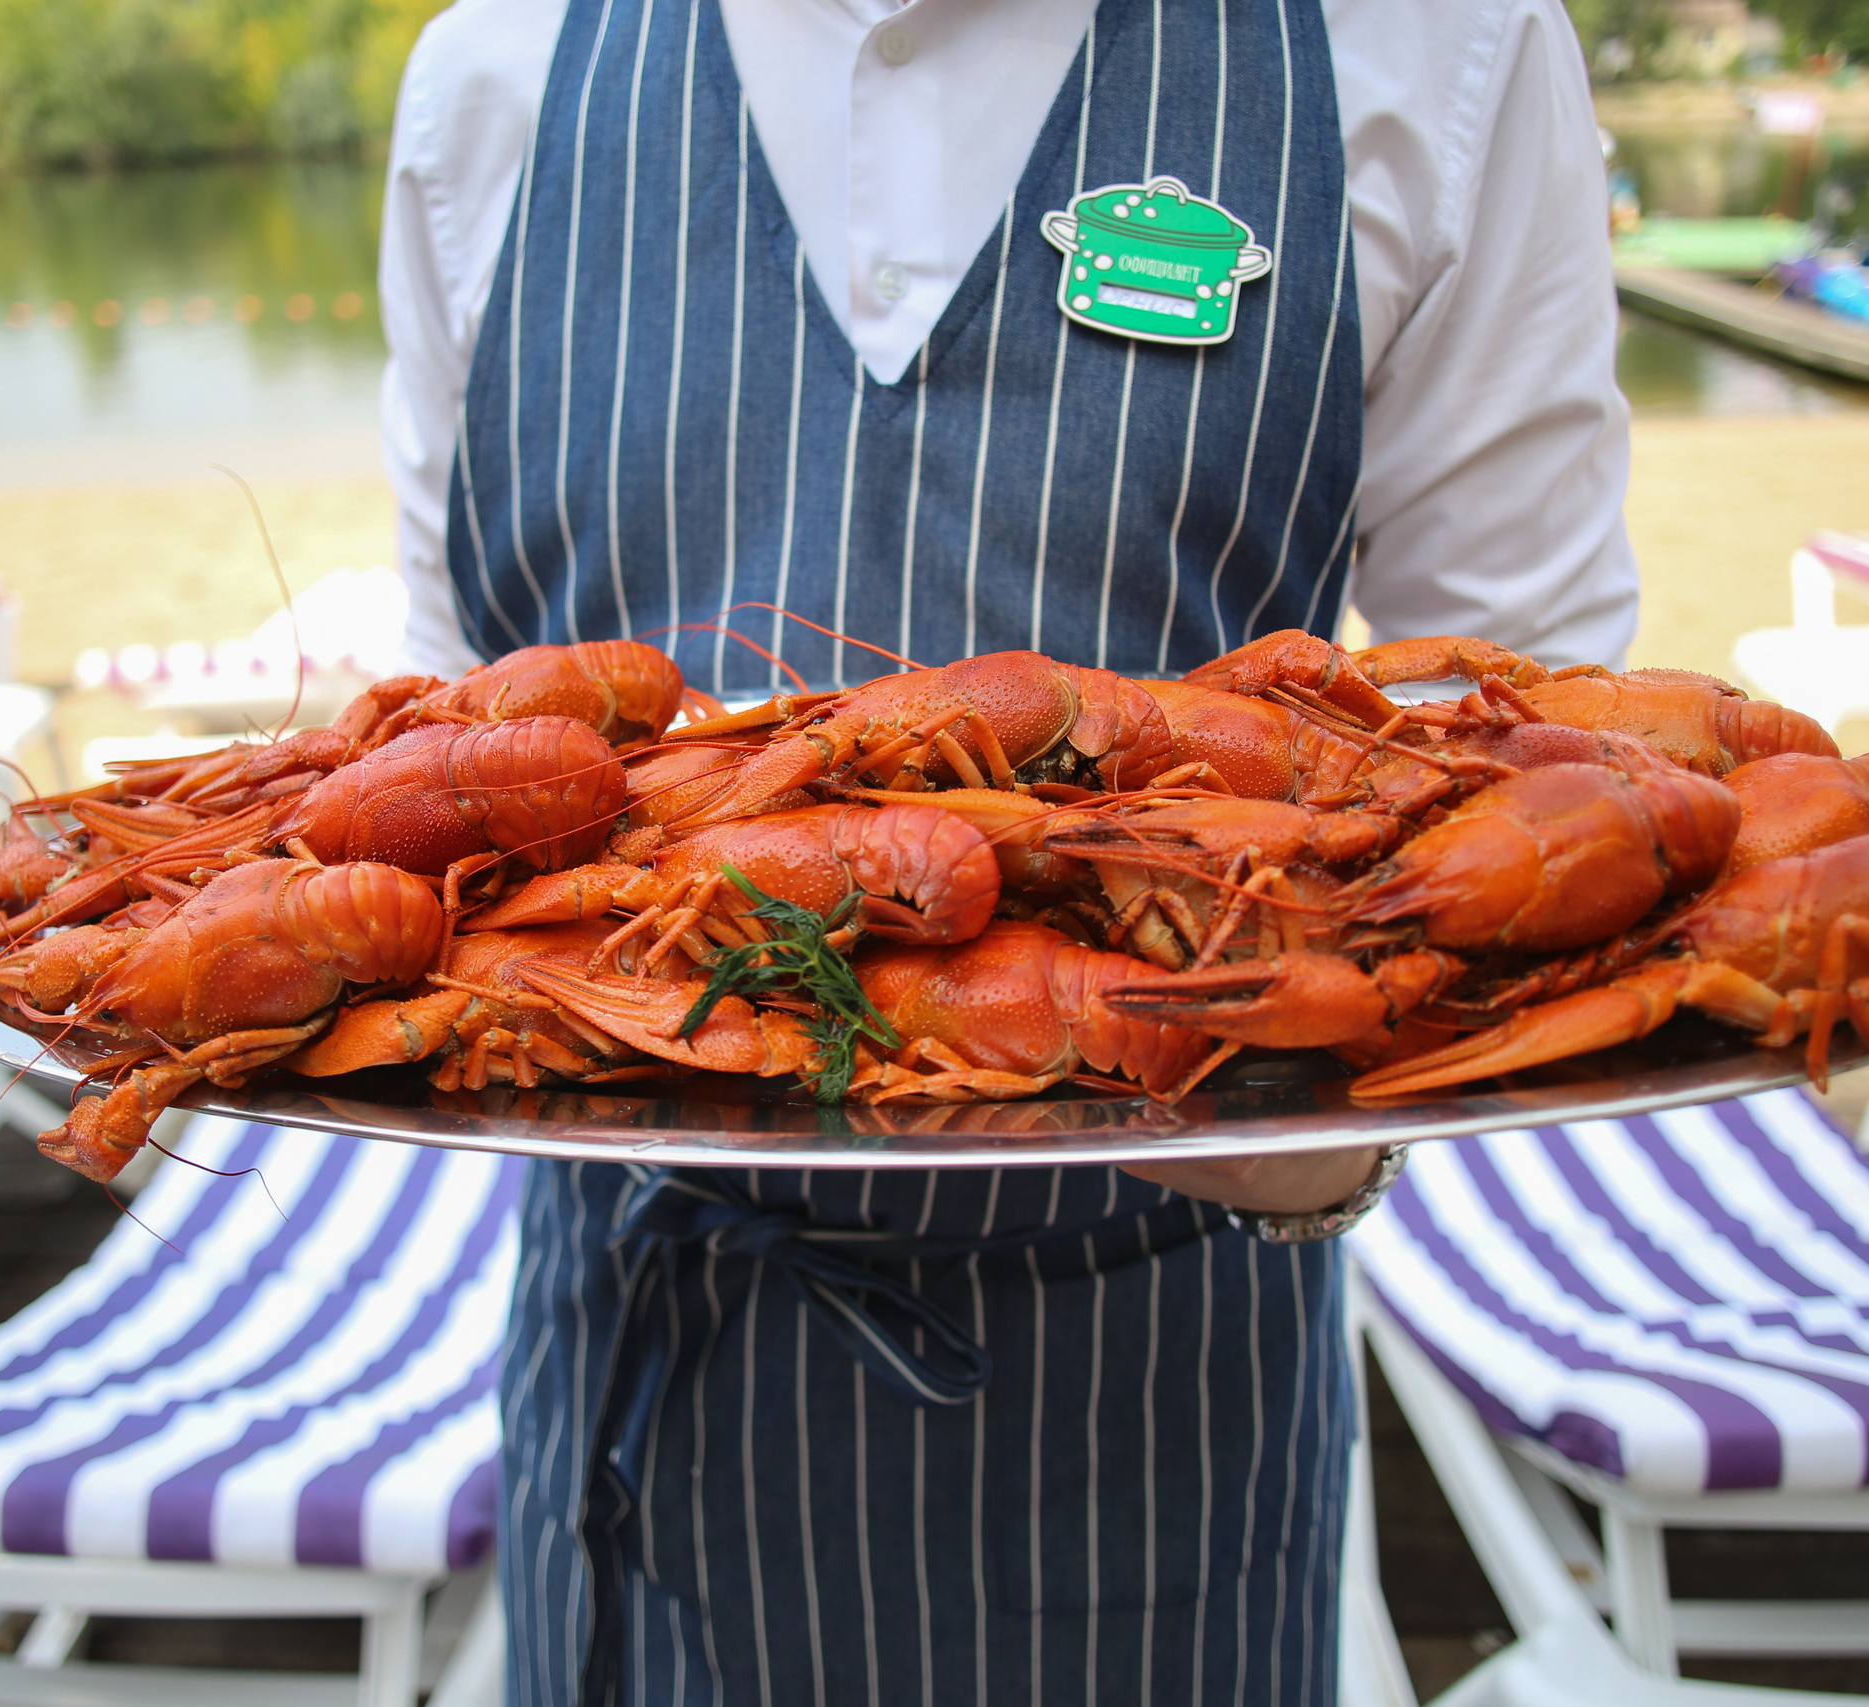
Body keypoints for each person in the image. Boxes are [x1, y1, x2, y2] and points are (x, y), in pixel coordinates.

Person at [377, 0, 1637, 1698]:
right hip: (627, 1377)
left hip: (1166, 1383)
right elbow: (453, 783)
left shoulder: (1443, 44)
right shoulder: (489, 76)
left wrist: (1335, 1126)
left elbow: (1550, 752)